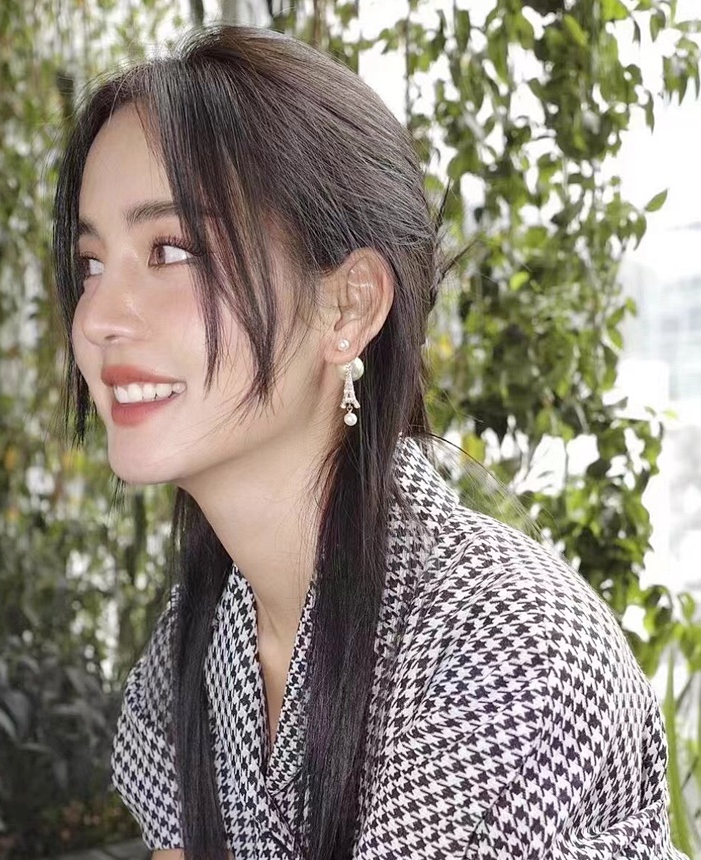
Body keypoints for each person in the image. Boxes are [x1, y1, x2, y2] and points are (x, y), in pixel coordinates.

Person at [52, 23, 685, 860]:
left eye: (170, 250)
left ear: (348, 307)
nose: (97, 317)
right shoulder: (195, 645)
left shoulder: (507, 651)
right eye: (92, 263)